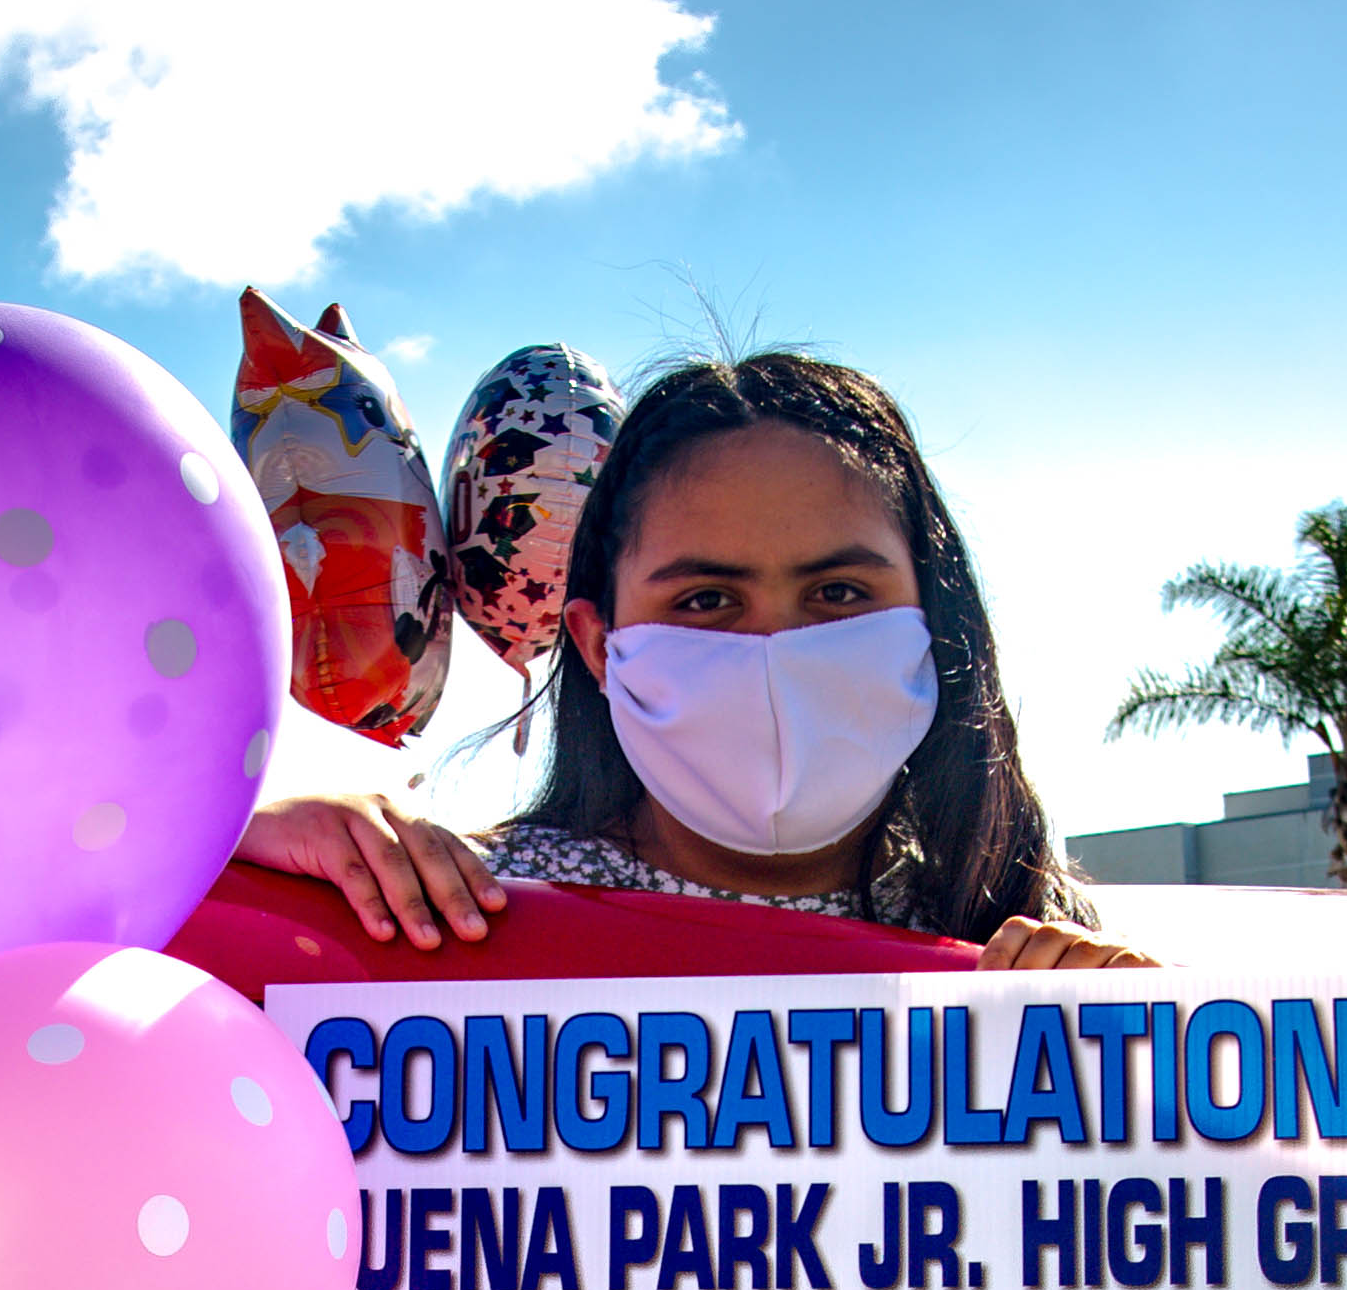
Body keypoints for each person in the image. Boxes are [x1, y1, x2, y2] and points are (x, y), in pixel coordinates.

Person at [239, 350, 1135, 971]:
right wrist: (238, 851)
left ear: (931, 627)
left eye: (838, 596)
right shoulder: (460, 904)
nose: (774, 651)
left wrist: (1153, 1065)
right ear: (596, 644)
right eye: (706, 602)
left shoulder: (1017, 934)